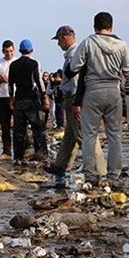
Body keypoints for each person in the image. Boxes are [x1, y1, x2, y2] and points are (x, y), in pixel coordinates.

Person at [67, 12, 129, 185]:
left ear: (95, 27)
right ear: (111, 27)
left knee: (90, 135)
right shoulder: (122, 45)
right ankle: (114, 174)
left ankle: (91, 174)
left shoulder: (88, 42)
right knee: (115, 134)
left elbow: (75, 67)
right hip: (113, 91)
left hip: (93, 91)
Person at [44, 25, 107, 183]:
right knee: (70, 135)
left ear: (64, 38)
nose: (58, 44)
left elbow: (77, 80)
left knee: (84, 135)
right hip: (75, 98)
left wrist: (77, 102)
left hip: (75, 98)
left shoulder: (74, 55)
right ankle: (61, 165)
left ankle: (99, 172)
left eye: (58, 40)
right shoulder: (75, 53)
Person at [8, 39, 49, 165]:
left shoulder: (13, 65)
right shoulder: (34, 64)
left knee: (19, 130)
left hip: (19, 98)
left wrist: (11, 98)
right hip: (32, 99)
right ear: (31, 50)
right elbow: (38, 81)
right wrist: (44, 96)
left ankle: (18, 157)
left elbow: (10, 84)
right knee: (37, 128)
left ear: (19, 51)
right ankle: (41, 154)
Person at [0, 40, 16, 161]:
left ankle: (23, 149)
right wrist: (1, 79)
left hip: (15, 96)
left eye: (11, 51)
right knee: (4, 126)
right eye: (6, 52)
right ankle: (6, 151)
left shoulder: (17, 62)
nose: (8, 54)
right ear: (3, 51)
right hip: (2, 97)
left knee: (19, 125)